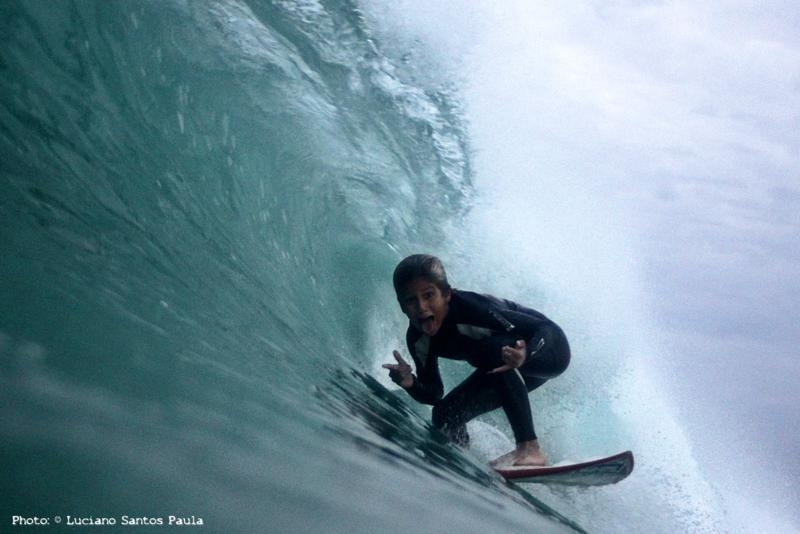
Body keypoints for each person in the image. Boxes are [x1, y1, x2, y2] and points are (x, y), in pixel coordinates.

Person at [383, 254, 570, 466]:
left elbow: (546, 329)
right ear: (402, 306)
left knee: (494, 350)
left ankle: (529, 448)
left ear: (447, 295)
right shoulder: (418, 339)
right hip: (505, 367)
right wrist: (410, 383)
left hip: (549, 351)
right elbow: (434, 393)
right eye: (411, 300)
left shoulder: (473, 309)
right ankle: (459, 461)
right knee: (445, 415)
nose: (422, 307)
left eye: (428, 296)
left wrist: (526, 354)